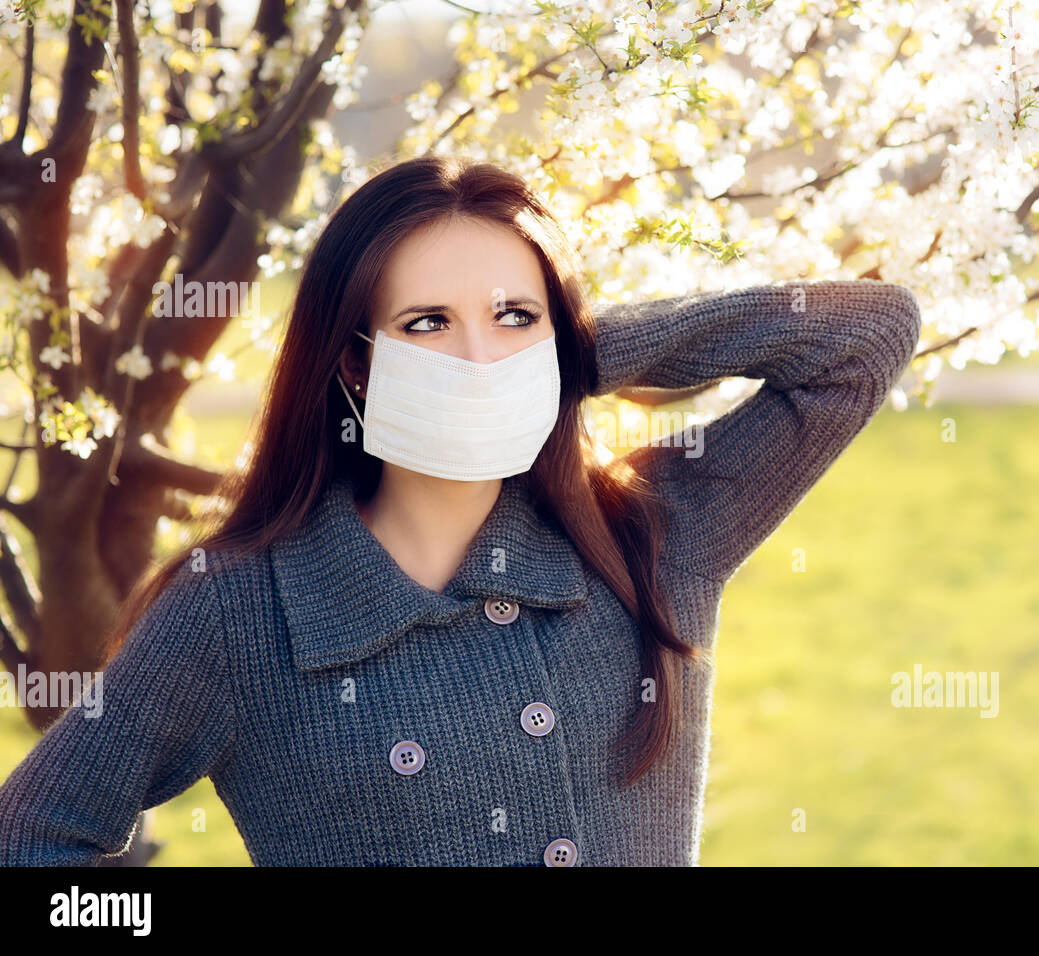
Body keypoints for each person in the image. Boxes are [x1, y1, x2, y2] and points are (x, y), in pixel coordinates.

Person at [0, 155, 921, 866]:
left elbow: (864, 338)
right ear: (354, 363)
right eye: (427, 323)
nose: (481, 359)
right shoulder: (237, 611)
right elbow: (33, 839)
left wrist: (586, 354)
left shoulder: (650, 531)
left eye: (515, 316)